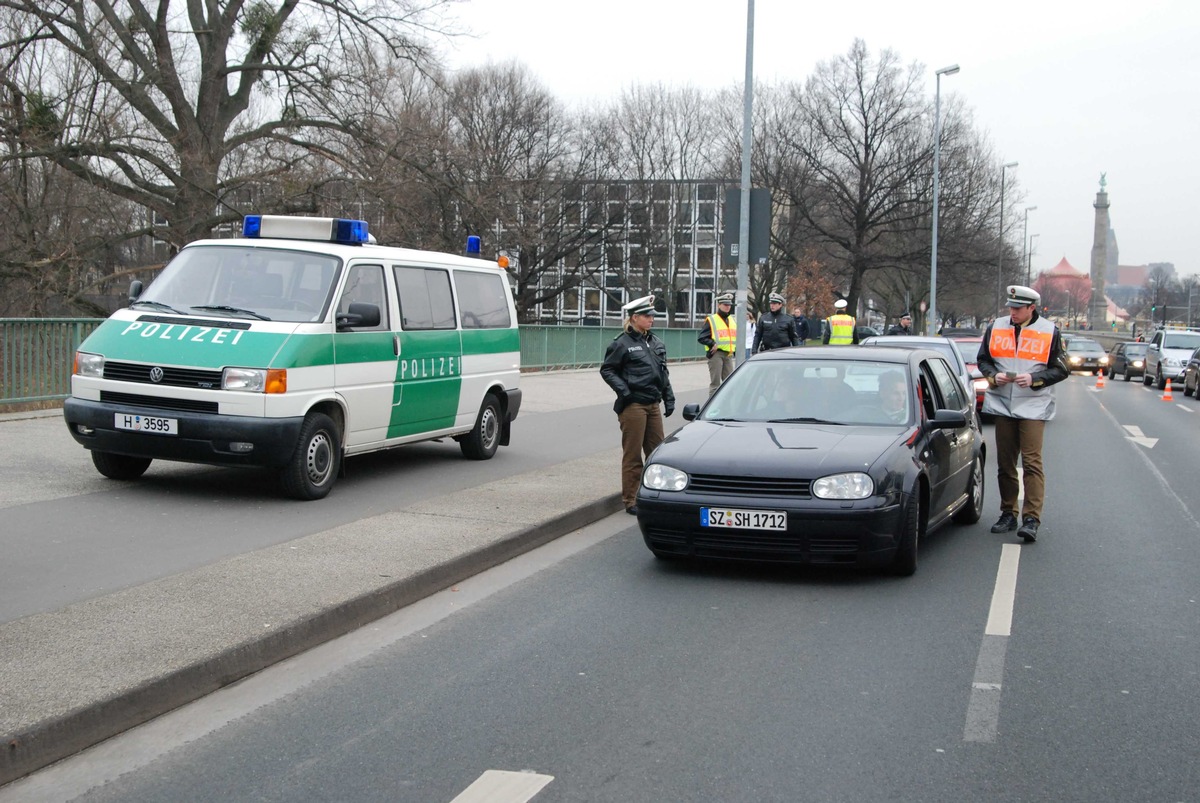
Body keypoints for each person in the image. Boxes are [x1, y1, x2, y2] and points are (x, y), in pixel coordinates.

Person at [976, 284, 1069, 543]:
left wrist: (1035, 378)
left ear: (1032, 308)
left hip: (1033, 405)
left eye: (1018, 308)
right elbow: (983, 359)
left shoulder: (1049, 331)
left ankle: (1031, 519)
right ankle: (1008, 513)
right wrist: (994, 376)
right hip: (1003, 403)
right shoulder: (996, 327)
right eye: (1011, 307)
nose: (1013, 312)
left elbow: (1062, 368)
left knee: (1031, 463)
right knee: (1005, 463)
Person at [600, 295, 676, 516]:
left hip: (652, 404)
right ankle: (631, 499)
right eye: (647, 316)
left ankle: (656, 495)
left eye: (652, 315)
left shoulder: (655, 342)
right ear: (634, 318)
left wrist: (668, 397)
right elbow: (607, 370)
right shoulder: (621, 343)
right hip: (633, 406)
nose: (652, 319)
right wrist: (625, 391)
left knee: (656, 453)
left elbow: (663, 373)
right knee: (633, 456)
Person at [698, 293, 736, 395]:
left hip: (728, 354)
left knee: (729, 382)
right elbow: (701, 337)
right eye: (725, 305)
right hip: (716, 354)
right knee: (715, 384)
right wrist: (712, 343)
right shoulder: (712, 319)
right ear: (719, 305)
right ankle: (713, 408)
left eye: (729, 305)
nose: (727, 307)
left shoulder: (731, 319)